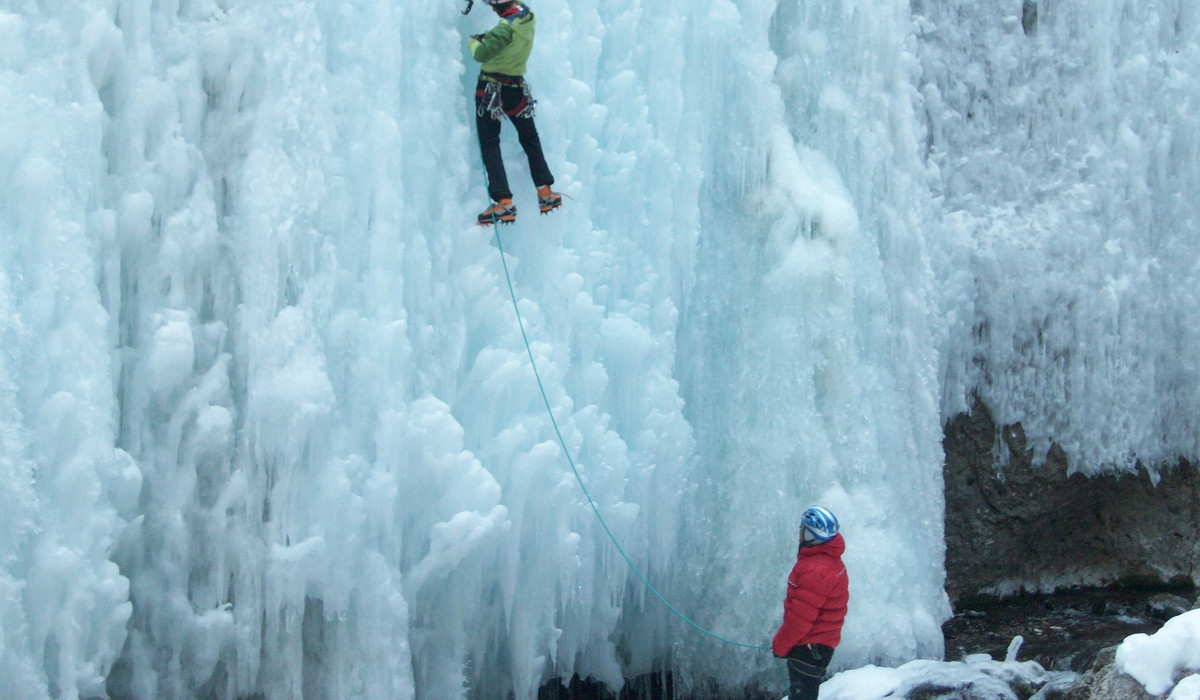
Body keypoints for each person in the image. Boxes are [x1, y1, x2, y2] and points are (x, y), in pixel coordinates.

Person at [468, 0, 562, 226]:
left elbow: (480, 54)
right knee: (529, 138)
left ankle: (503, 202)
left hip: (490, 90)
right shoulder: (528, 17)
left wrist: (474, 41)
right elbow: (515, 5)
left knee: (490, 143)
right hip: (516, 91)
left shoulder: (504, 30)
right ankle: (545, 192)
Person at [772, 506, 849, 700]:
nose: (799, 530)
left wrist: (780, 646)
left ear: (811, 534)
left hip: (808, 647)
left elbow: (800, 619)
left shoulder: (816, 569)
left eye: (802, 527)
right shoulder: (828, 561)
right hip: (818, 646)